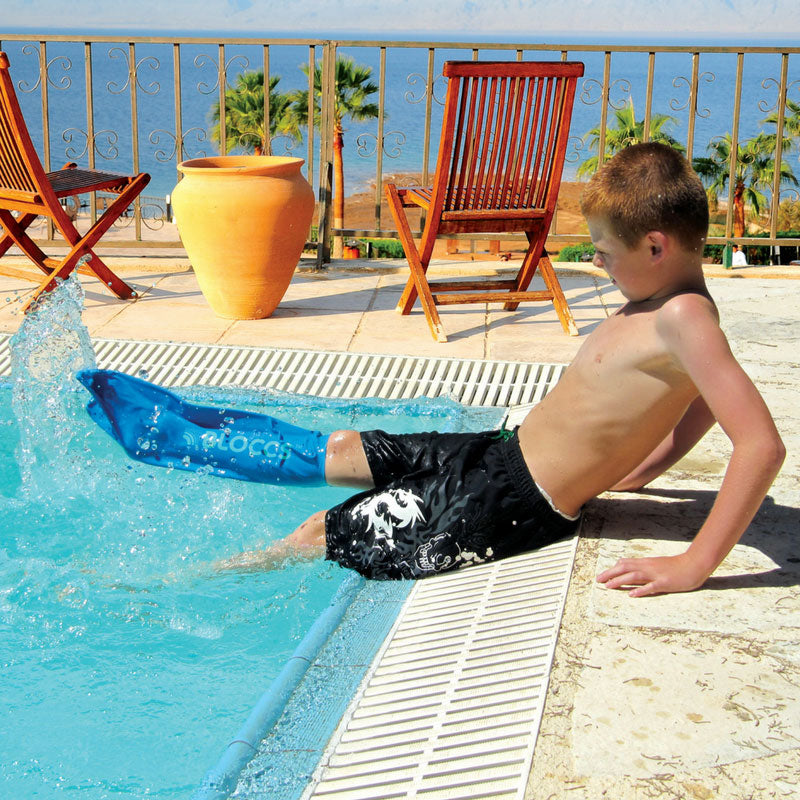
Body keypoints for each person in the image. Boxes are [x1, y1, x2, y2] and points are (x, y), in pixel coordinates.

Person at [79, 143, 785, 598]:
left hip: (504, 504)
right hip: (493, 457)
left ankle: (160, 587)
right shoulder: (673, 304)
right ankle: (171, 432)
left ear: (657, 246)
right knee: (340, 449)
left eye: (603, 250)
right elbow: (695, 402)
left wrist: (691, 566)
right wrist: (640, 469)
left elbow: (760, 443)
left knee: (317, 535)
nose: (596, 261)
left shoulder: (685, 318)